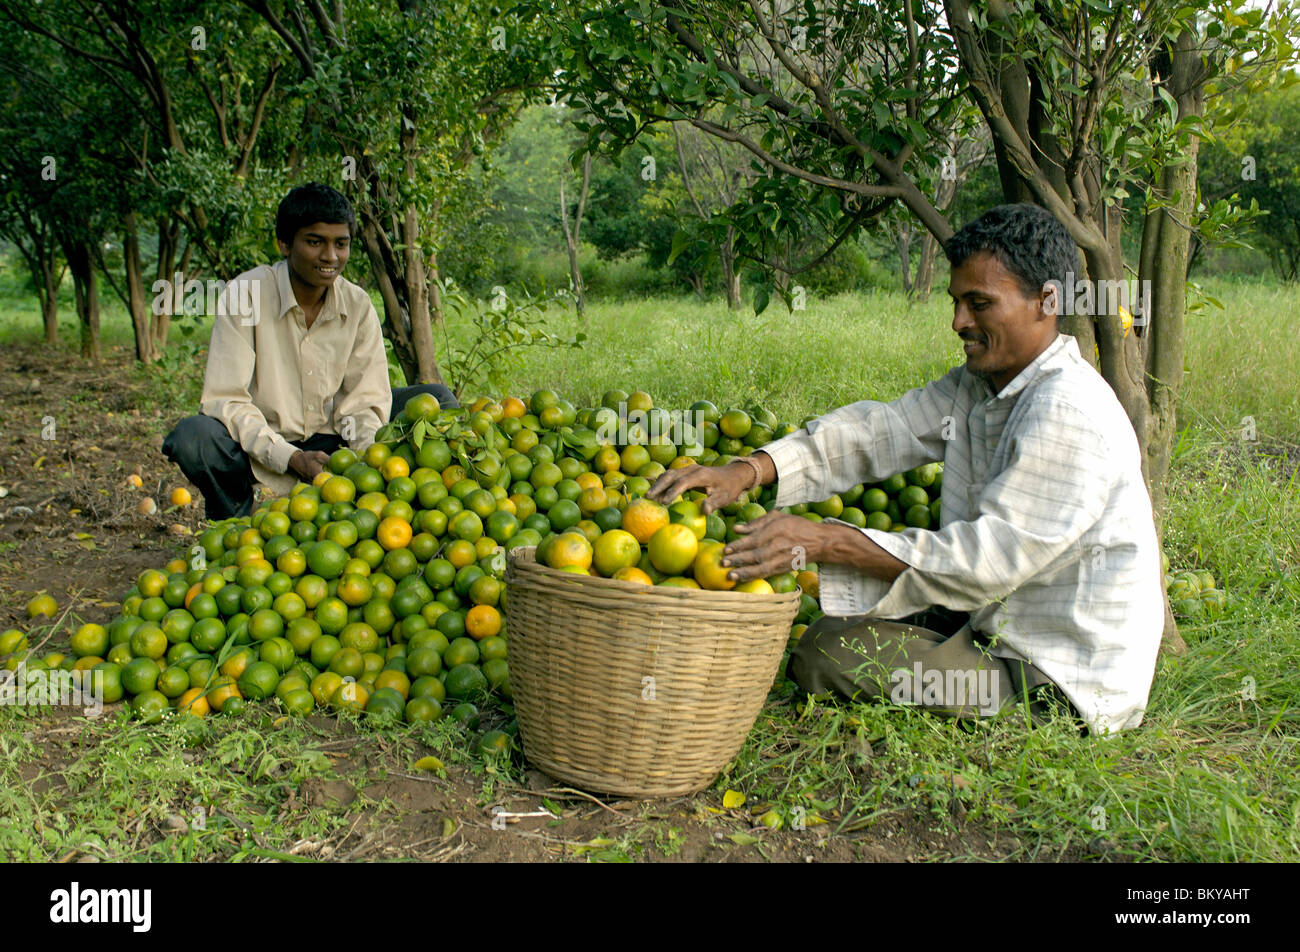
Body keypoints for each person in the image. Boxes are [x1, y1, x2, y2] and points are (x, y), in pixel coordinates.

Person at [647, 204, 1163, 735]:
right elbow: (880, 432)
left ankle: (1018, 711)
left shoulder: (1067, 411)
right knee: (837, 623)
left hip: (1050, 674)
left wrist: (827, 541)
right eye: (957, 302)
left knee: (825, 655)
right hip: (992, 618)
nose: (959, 322)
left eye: (979, 303)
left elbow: (982, 565)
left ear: (1047, 301)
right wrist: (752, 469)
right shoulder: (981, 384)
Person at [162, 182, 457, 519]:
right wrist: (289, 457)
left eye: (340, 244)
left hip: (335, 440)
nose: (330, 256)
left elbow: (365, 399)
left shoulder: (357, 305)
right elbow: (226, 399)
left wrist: (363, 464)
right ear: (284, 244)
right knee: (193, 437)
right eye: (315, 242)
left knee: (437, 401)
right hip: (261, 442)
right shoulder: (244, 294)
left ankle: (407, 518)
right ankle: (234, 524)